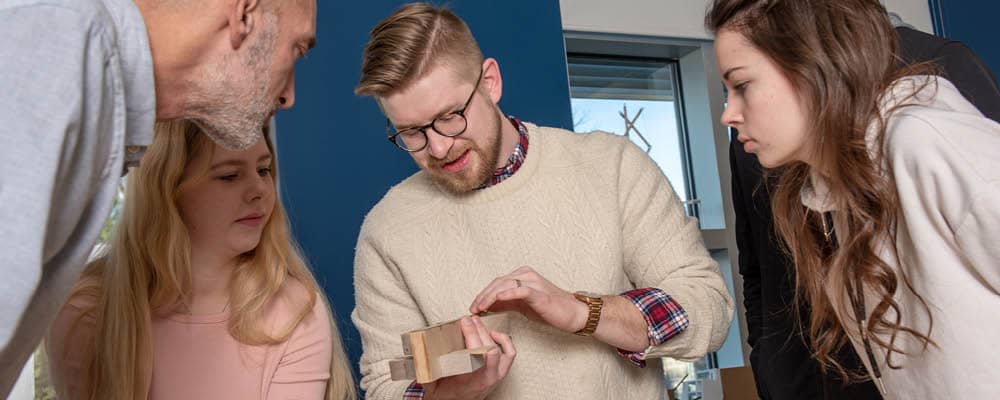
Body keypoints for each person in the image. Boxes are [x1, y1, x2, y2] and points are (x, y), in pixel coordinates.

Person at [351, 3, 734, 399]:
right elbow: (384, 385)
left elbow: (708, 308)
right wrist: (452, 394)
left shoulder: (611, 166)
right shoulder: (387, 231)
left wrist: (582, 312)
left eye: (450, 116)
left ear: (490, 82)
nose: (439, 146)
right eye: (411, 133)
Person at [0, 0, 317, 393]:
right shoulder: (62, 49)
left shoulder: (95, 92)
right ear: (244, 16)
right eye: (297, 50)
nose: (289, 97)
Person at [708, 0, 1000, 398]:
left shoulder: (923, 141)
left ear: (810, 65)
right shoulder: (829, 188)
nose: (729, 114)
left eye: (741, 86)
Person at [47, 120, 356, 400]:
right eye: (229, 175)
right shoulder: (86, 308)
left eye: (263, 169)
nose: (259, 190)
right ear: (167, 189)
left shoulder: (293, 310)